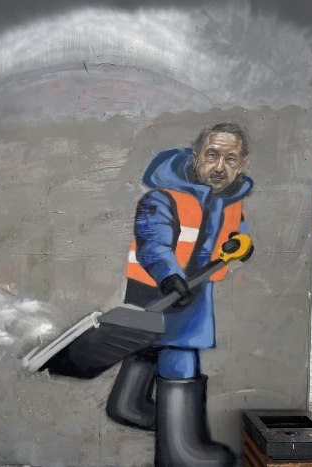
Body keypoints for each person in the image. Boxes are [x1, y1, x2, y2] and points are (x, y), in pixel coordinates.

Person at [106, 122, 252, 467]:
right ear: (195, 156)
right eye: (212, 155)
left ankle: (132, 406)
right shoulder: (162, 197)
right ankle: (182, 450)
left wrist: (242, 244)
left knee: (150, 350)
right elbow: (152, 242)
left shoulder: (229, 201)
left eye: (230, 159)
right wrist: (169, 276)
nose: (220, 167)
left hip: (195, 295)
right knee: (179, 354)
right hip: (160, 292)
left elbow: (236, 234)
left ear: (242, 163)